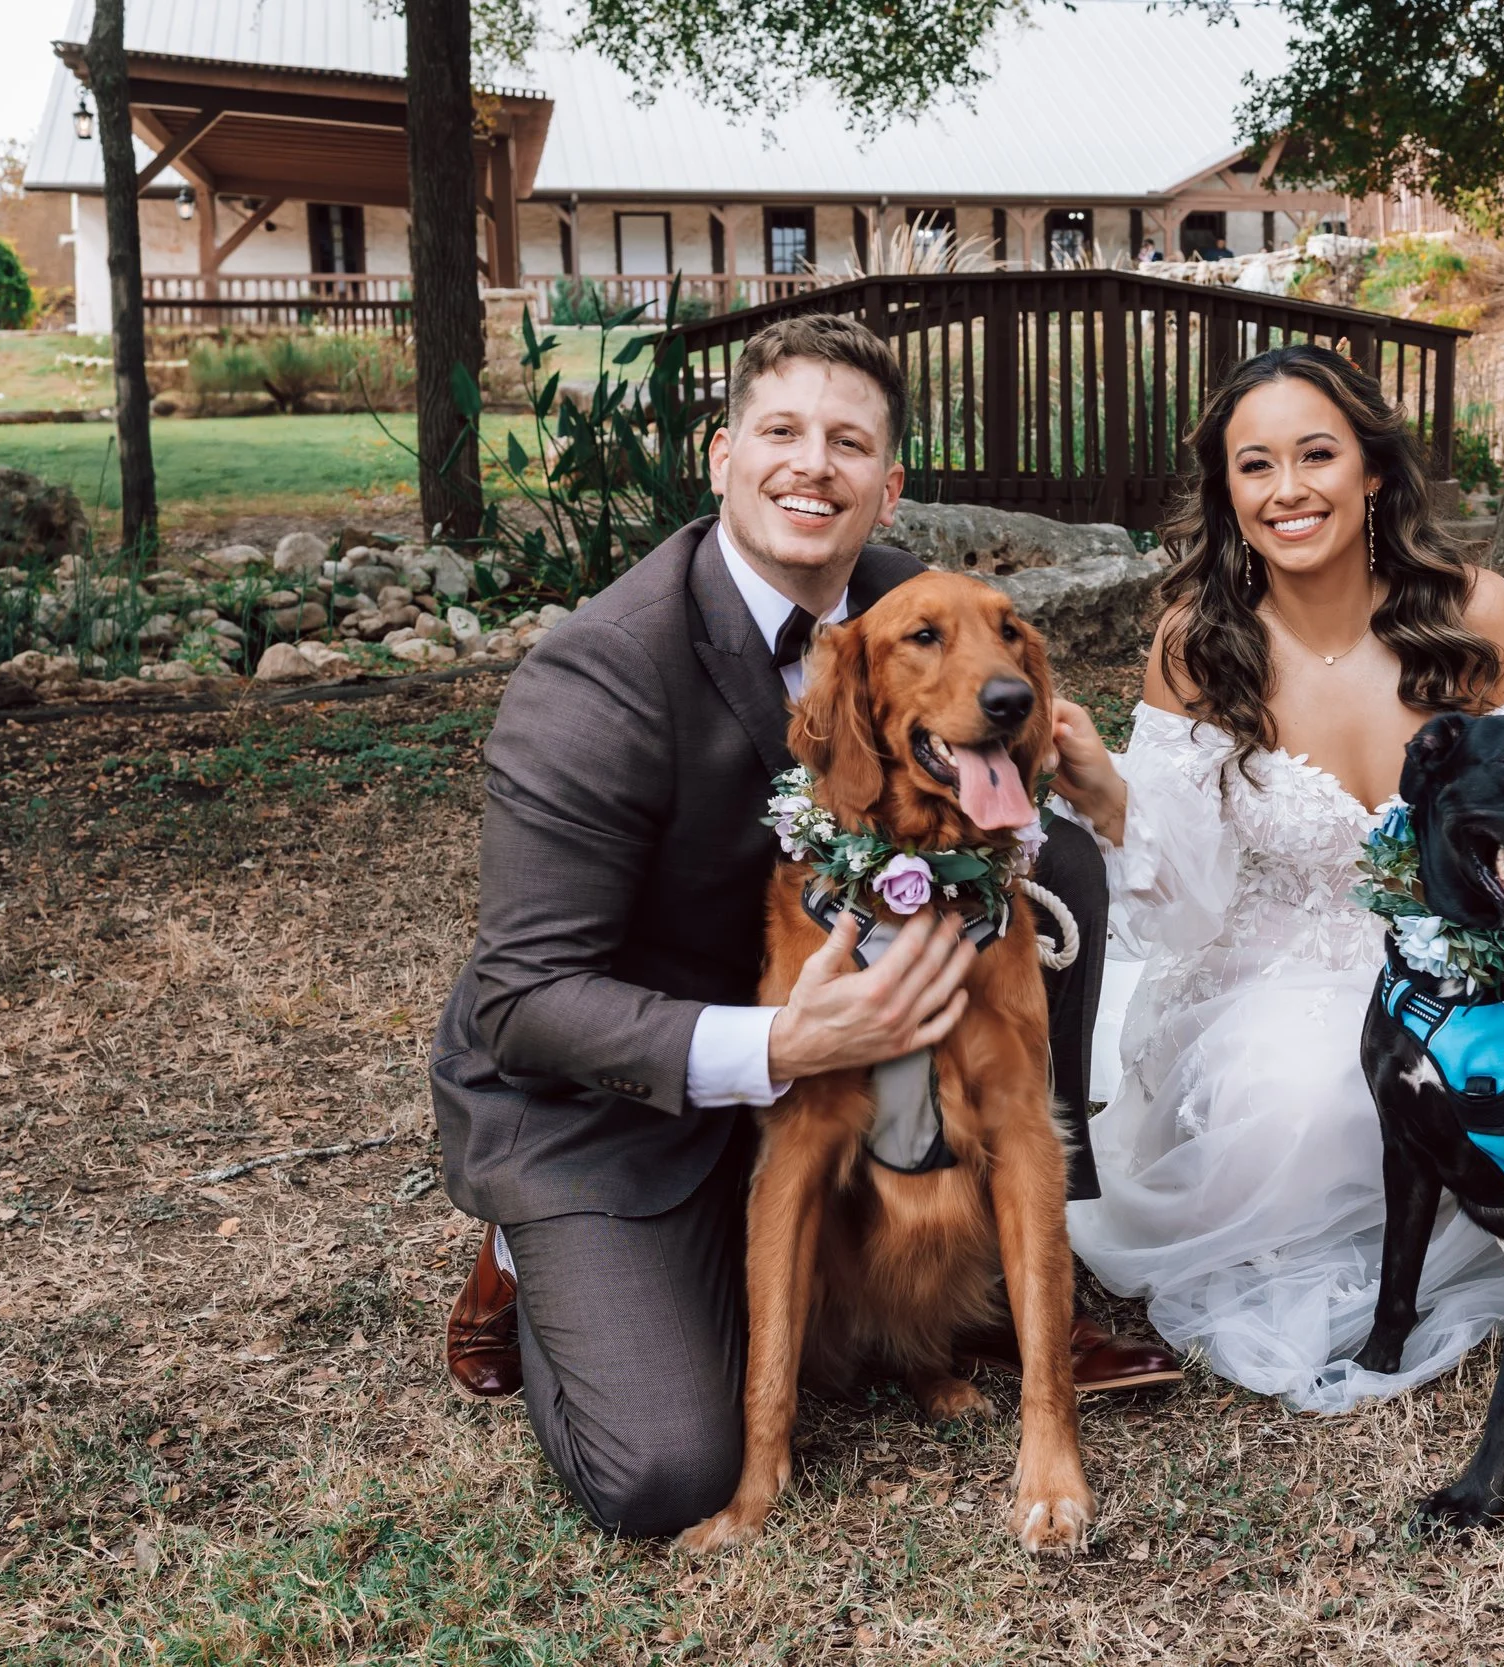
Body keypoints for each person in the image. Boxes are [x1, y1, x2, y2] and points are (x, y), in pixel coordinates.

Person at [432, 314, 1177, 1538]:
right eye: (779, 431)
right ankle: (530, 1253)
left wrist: (1071, 776)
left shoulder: (910, 606)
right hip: (619, 1089)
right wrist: (779, 1044)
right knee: (666, 1468)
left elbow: (1003, 735)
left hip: (836, 1054)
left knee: (1069, 879)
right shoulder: (596, 674)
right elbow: (521, 996)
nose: (809, 464)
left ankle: (1019, 1271)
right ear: (722, 458)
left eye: (847, 442)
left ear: (887, 491)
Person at [1048, 343, 1504, 1412]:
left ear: (1371, 470)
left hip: (1476, 951)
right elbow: (1179, 895)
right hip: (1274, 966)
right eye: (1255, 465)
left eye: (1316, 454)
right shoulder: (1197, 644)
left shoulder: (1478, 612)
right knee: (1311, 1102)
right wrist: (1106, 796)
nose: (1288, 489)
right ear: (1226, 492)